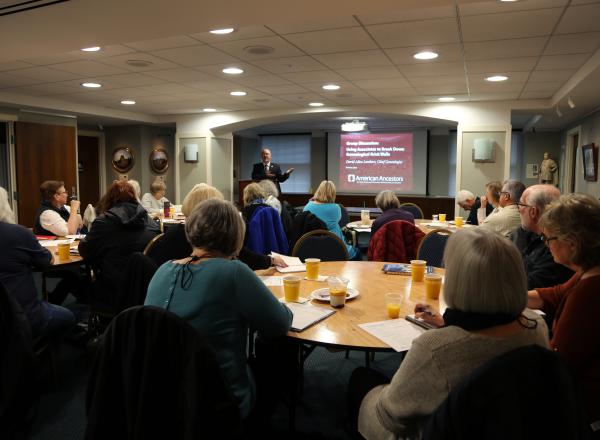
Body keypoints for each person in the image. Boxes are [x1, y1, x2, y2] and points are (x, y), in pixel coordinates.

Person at [351, 227, 548, 440]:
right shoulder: (537, 325)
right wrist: (447, 323)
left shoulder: (435, 349)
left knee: (361, 380)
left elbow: (390, 415)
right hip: (507, 425)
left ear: (456, 282)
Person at [144, 198, 293, 420]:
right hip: (218, 400)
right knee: (277, 346)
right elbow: (281, 323)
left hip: (159, 396)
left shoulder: (163, 270)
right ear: (236, 236)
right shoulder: (234, 272)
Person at [526, 194, 600, 429]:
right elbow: (555, 295)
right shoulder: (588, 272)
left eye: (549, 238)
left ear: (572, 242)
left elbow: (558, 362)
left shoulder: (588, 294)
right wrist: (506, 297)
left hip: (582, 409)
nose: (546, 244)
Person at [150, 183, 286, 269]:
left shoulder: (172, 234)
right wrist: (270, 260)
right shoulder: (211, 239)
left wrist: (269, 260)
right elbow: (243, 255)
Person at [0, 187, 75, 336]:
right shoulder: (18, 233)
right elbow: (47, 261)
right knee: (70, 317)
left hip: (8, 315)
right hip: (23, 315)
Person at [79, 181, 159, 310]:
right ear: (134, 197)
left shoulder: (103, 222)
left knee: (78, 280)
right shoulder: (150, 221)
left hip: (113, 287)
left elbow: (85, 251)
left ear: (109, 199)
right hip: (147, 287)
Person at [509, 184, 573, 289]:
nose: (519, 210)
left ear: (533, 212)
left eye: (521, 204)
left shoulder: (557, 244)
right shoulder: (523, 232)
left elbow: (528, 286)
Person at [303, 180, 359, 260]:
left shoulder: (308, 206)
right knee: (357, 253)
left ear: (318, 191)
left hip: (312, 249)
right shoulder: (335, 208)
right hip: (337, 248)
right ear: (333, 194)